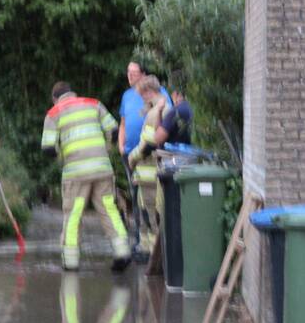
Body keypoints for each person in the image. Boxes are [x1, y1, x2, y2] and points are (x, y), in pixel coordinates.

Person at [41, 81, 130, 272]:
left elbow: (48, 148)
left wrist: (62, 158)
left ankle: (71, 261)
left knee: (73, 214)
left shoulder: (54, 113)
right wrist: (107, 150)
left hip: (75, 173)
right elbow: (114, 131)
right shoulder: (93, 103)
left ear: (55, 98)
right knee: (108, 208)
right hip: (102, 169)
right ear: (73, 93)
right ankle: (122, 251)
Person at [126, 76, 167, 257]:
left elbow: (148, 144)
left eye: (142, 95)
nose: (142, 98)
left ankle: (152, 254)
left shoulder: (155, 113)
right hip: (151, 173)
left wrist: (132, 157)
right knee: (148, 213)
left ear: (149, 92)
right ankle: (147, 248)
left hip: (149, 173)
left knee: (150, 215)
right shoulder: (159, 109)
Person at [153, 75, 193, 147]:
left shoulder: (175, 112)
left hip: (179, 156)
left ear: (175, 94)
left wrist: (159, 111)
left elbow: (158, 139)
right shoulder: (199, 109)